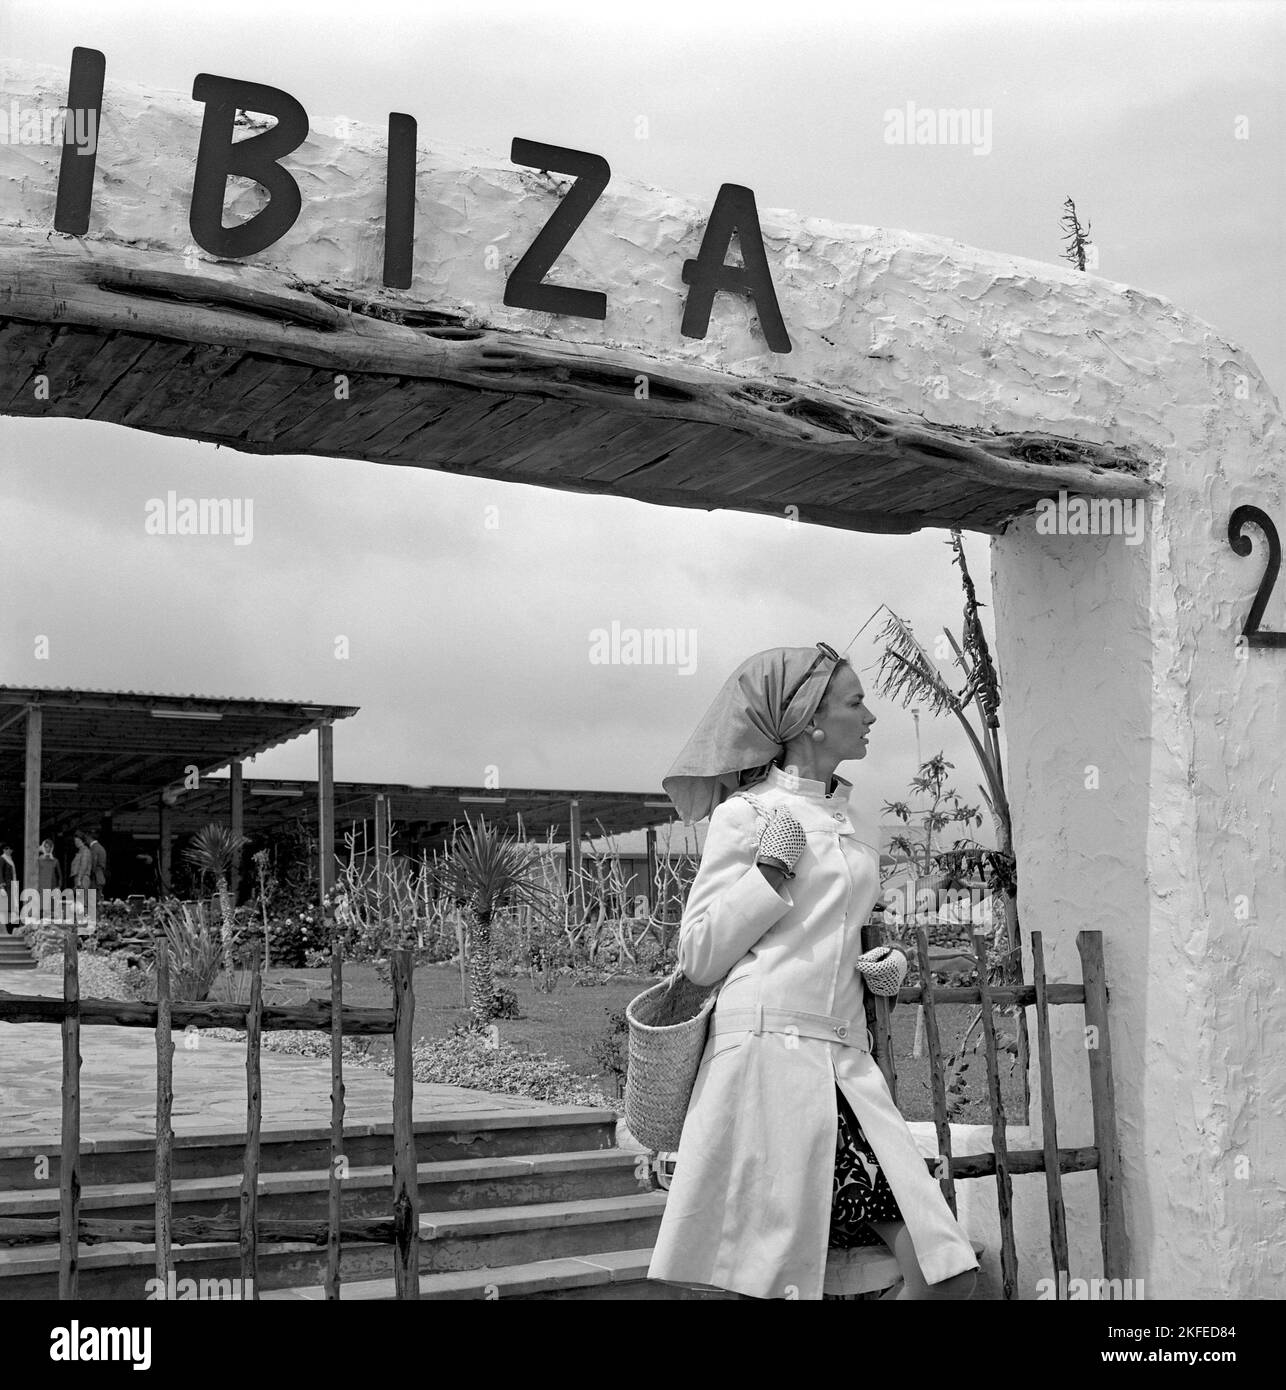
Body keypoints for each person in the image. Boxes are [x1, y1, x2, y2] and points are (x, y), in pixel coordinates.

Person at [647, 643, 980, 1302]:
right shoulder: (745, 815)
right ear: (810, 722)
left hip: (846, 1065)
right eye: (856, 702)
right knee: (776, 1278)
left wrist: (877, 968)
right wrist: (768, 873)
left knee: (948, 1273)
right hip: (765, 1063)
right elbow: (699, 955)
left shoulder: (854, 820)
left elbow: (834, 932)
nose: (871, 717)